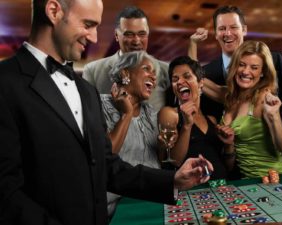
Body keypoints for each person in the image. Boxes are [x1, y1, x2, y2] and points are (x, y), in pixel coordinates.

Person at [0, 1, 213, 225]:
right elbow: (5, 193)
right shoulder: (5, 83)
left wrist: (173, 180)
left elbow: (108, 167)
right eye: (88, 25)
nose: (93, 38)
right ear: (54, 11)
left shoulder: (86, 91)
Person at [188, 5, 282, 121]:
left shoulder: (273, 60)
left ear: (244, 30)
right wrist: (193, 43)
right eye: (222, 28)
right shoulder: (207, 73)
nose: (228, 33)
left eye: (233, 27)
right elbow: (194, 75)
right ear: (216, 33)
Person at [101, 51, 161, 216]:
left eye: (154, 73)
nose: (153, 77)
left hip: (153, 198)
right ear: (125, 73)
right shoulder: (99, 105)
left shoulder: (151, 113)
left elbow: (159, 159)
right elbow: (107, 155)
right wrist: (126, 114)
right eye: (146, 69)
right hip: (118, 207)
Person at [217, 40, 282, 178]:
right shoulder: (231, 97)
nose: (246, 72)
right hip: (245, 180)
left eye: (254, 67)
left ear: (263, 72)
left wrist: (274, 116)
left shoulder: (264, 98)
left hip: (272, 178)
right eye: (241, 64)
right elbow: (198, 78)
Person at [82, 6, 169, 111]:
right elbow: (87, 114)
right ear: (116, 35)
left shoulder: (166, 70)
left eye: (142, 34)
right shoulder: (93, 71)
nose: (136, 41)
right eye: (129, 35)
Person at [158, 56, 228, 179]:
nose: (179, 82)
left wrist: (229, 146)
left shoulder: (211, 119)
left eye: (187, 76)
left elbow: (227, 164)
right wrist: (187, 125)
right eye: (175, 79)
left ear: (201, 82)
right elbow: (174, 161)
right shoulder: (169, 114)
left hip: (221, 188)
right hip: (192, 191)